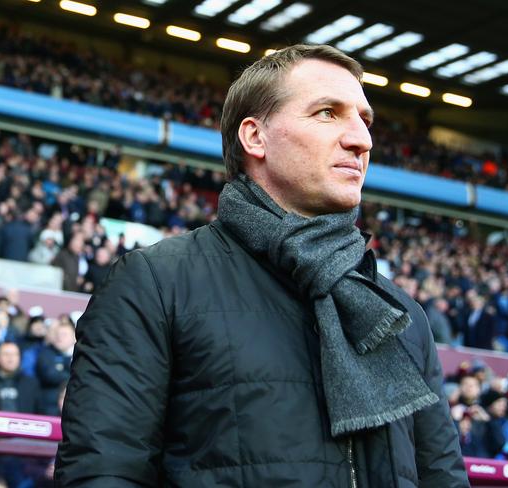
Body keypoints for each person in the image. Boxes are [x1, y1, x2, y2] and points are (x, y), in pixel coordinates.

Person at [56, 44, 469, 487]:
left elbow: (441, 477)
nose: (361, 140)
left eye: (364, 120)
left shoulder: (397, 314)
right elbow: (102, 473)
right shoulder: (155, 283)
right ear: (255, 137)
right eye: (328, 113)